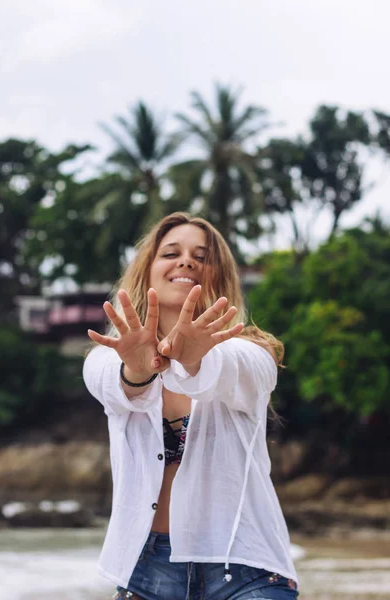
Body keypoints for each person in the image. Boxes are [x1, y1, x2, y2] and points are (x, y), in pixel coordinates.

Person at [83, 212, 299, 600]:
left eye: (202, 256)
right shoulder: (106, 356)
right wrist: (136, 368)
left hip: (246, 568)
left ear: (219, 277)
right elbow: (120, 387)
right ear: (147, 270)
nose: (186, 261)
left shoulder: (252, 353)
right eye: (171, 252)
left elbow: (224, 372)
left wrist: (194, 359)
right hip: (145, 572)